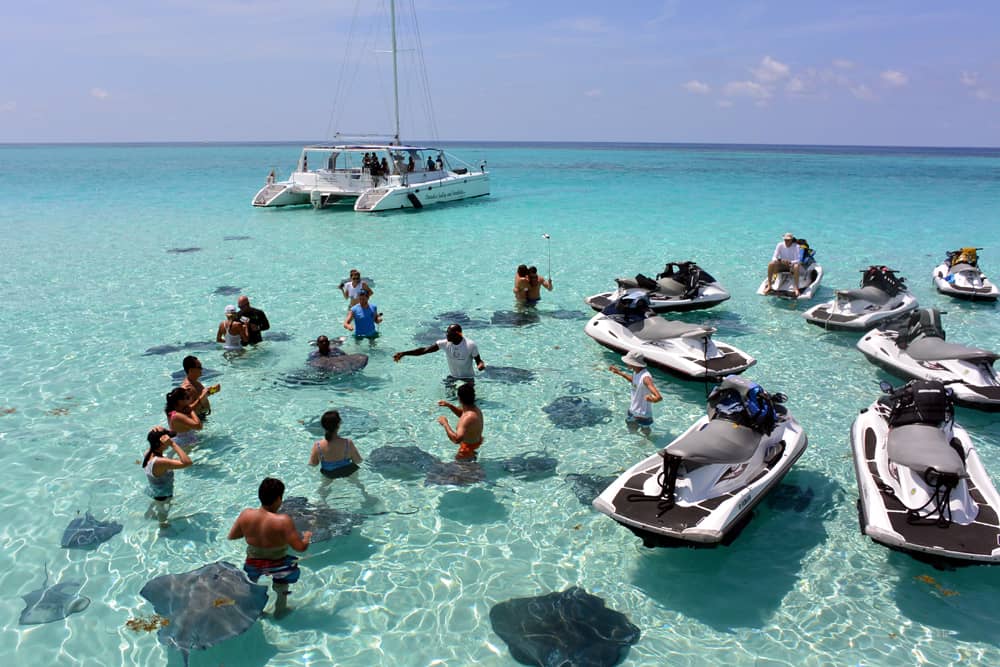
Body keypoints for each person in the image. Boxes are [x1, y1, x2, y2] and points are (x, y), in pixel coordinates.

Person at [227, 478, 312, 618]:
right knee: (282, 585)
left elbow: (233, 536)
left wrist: (253, 533)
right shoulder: (283, 521)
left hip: (253, 562)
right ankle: (280, 610)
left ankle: (255, 611)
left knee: (251, 586)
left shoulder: (246, 514)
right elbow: (300, 548)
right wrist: (307, 537)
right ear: (279, 498)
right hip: (278, 563)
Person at [393, 323, 485, 381]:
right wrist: (404, 353)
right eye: (447, 332)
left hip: (468, 379)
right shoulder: (445, 343)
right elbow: (424, 350)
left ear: (457, 334)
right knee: (449, 400)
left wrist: (480, 365)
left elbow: (478, 360)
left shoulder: (470, 345)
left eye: (449, 333)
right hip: (452, 378)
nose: (447, 335)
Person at [142, 426, 193, 527]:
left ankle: (150, 512)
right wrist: (173, 444)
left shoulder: (148, 452)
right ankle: (163, 527)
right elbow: (187, 462)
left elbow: (152, 439)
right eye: (168, 439)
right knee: (163, 512)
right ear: (160, 444)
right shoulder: (160, 462)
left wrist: (154, 431)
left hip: (155, 489)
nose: (171, 440)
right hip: (164, 495)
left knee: (158, 503)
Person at [608, 350, 662, 436]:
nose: (627, 364)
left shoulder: (646, 378)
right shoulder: (636, 372)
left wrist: (652, 399)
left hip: (643, 414)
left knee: (645, 431)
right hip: (633, 410)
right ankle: (634, 440)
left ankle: (647, 441)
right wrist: (619, 373)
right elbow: (634, 382)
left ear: (634, 363)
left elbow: (659, 397)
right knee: (631, 427)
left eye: (628, 362)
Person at [308, 410, 363, 478]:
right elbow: (358, 460)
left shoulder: (318, 445)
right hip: (349, 471)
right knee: (358, 484)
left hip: (329, 473)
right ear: (339, 424)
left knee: (324, 486)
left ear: (323, 425)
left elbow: (313, 464)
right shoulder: (348, 443)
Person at [437, 383, 483, 461]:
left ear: (459, 398)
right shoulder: (474, 410)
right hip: (474, 445)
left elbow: (457, 439)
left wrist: (445, 423)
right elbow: (463, 415)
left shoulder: (468, 417)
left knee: (457, 472)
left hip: (466, 451)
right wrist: (449, 405)